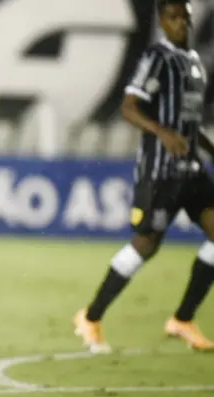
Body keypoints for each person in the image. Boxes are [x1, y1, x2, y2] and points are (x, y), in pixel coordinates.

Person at [74, 0, 214, 353]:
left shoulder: (194, 63)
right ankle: (90, 316)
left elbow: (189, 124)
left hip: (192, 170)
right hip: (161, 172)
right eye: (172, 18)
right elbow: (129, 108)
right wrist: (162, 132)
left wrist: (209, 149)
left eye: (184, 17)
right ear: (162, 21)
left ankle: (182, 319)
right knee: (147, 244)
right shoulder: (157, 58)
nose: (179, 23)